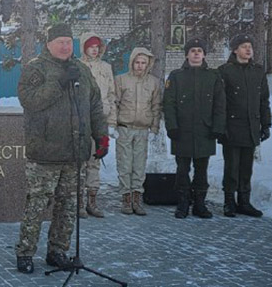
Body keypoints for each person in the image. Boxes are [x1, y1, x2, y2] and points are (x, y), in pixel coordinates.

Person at [15, 23, 108, 274]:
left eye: (69, 41)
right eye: (60, 42)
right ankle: (25, 253)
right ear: (48, 44)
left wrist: (101, 136)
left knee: (67, 207)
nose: (66, 46)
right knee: (36, 206)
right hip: (44, 153)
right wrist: (58, 83)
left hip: (74, 152)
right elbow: (30, 101)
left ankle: (57, 251)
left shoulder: (81, 70)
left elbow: (95, 105)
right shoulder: (36, 68)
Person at [163, 37, 225, 219]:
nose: (196, 53)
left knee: (202, 169)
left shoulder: (213, 76)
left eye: (199, 50)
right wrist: (172, 127)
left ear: (204, 54)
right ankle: (182, 203)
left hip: (205, 131)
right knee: (182, 169)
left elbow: (220, 105)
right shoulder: (176, 76)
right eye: (193, 50)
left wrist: (217, 127)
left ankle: (199, 204)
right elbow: (169, 103)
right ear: (187, 54)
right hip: (182, 131)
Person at [217, 34, 271, 218]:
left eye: (250, 46)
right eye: (243, 46)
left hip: (251, 127)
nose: (248, 50)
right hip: (231, 126)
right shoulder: (224, 71)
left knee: (246, 167)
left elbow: (264, 100)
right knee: (231, 166)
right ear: (235, 50)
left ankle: (244, 202)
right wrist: (220, 126)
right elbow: (220, 102)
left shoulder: (258, 71)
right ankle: (229, 202)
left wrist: (266, 124)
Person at [110, 47, 162, 216]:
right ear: (132, 62)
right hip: (125, 128)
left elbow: (156, 106)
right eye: (137, 62)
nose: (140, 66)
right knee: (125, 164)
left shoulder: (153, 82)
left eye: (143, 63)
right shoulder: (121, 80)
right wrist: (113, 125)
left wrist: (154, 127)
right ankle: (126, 198)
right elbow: (114, 103)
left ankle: (137, 198)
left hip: (143, 129)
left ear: (148, 64)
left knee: (139, 165)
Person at [77, 33, 115, 218]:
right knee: (80, 162)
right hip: (82, 121)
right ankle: (79, 202)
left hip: (101, 120)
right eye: (91, 46)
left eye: (97, 46)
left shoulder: (106, 68)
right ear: (84, 47)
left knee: (95, 160)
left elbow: (111, 95)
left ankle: (93, 200)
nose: (94, 49)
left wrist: (112, 122)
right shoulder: (78, 66)